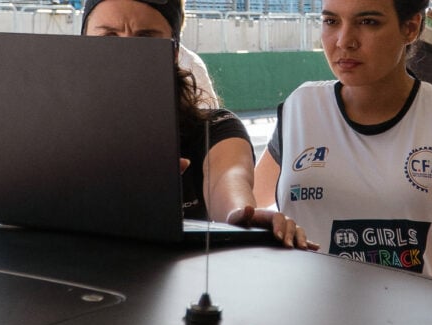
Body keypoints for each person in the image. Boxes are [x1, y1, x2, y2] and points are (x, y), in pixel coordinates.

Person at [254, 0, 432, 283]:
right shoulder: (301, 109)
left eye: (368, 22)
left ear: (411, 27)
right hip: (307, 322)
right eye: (331, 21)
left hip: (430, 324)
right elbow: (250, 203)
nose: (344, 41)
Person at [81, 0, 316, 249]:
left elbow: (227, 183)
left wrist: (241, 216)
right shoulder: (53, 136)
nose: (126, 53)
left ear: (174, 52)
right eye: (109, 36)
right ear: (82, 44)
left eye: (146, 37)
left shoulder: (215, 129)